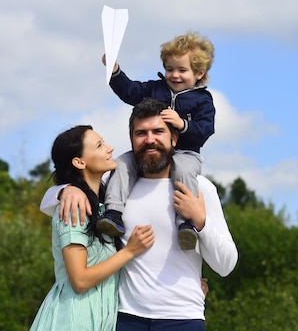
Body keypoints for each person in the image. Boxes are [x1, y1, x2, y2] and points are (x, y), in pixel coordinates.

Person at [40, 98, 237, 331]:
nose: (150, 139)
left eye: (158, 131)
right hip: (124, 318)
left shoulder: (199, 188)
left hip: (183, 317)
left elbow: (226, 265)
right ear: (132, 139)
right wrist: (66, 190)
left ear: (174, 138)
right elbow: (57, 195)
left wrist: (201, 221)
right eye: (141, 133)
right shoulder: (116, 187)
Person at [98, 31, 215, 251]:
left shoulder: (203, 100)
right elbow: (130, 91)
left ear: (199, 73)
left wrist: (182, 124)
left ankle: (186, 223)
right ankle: (113, 213)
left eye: (182, 70)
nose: (174, 75)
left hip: (186, 154)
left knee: (183, 170)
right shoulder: (155, 89)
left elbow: (205, 130)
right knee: (122, 163)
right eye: (170, 69)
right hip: (150, 153)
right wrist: (114, 72)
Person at [30, 125, 154, 331]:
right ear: (79, 162)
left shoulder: (107, 207)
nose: (110, 148)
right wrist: (130, 251)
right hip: (71, 321)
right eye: (99, 145)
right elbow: (79, 279)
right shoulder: (74, 207)